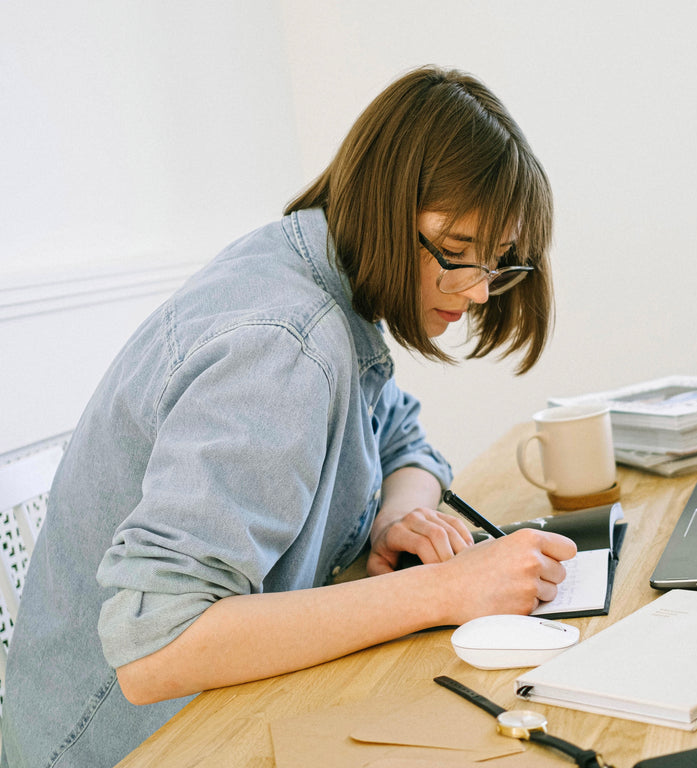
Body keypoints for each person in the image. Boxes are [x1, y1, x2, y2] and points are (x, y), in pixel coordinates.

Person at [0, 65, 576, 768]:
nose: (480, 291)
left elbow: (405, 439)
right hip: (131, 747)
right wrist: (444, 588)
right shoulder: (286, 343)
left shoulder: (324, 279)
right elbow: (155, 645)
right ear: (387, 205)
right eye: (457, 255)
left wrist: (400, 519)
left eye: (496, 264)